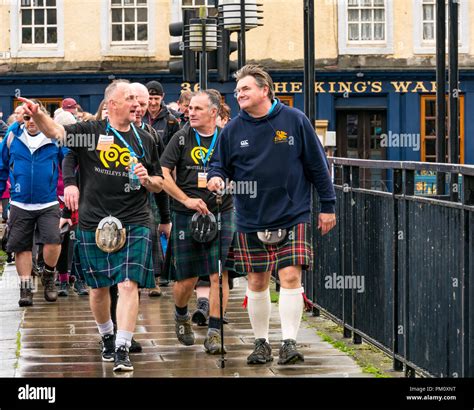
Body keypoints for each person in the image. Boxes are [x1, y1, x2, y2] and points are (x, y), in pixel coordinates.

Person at [18, 79, 164, 372]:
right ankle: (107, 336)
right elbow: (58, 133)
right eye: (129, 99)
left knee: (128, 283)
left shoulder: (145, 138)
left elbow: (160, 182)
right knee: (99, 289)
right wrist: (39, 114)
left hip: (134, 219)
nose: (137, 104)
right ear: (111, 104)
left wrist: (148, 180)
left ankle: (123, 346)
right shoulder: (90, 133)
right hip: (95, 220)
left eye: (138, 99)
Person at [207, 65, 337, 365]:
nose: (239, 94)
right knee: (256, 281)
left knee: (290, 276)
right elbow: (219, 166)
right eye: (237, 90)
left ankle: (289, 342)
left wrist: (328, 205)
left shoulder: (295, 121)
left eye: (245, 89)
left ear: (265, 90)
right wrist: (215, 177)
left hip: (293, 211)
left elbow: (318, 165)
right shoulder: (232, 130)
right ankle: (261, 343)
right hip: (251, 214)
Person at [160, 90, 235, 354]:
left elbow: (243, 169)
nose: (190, 112)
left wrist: (229, 184)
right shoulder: (181, 138)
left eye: (197, 109)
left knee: (218, 274)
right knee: (187, 278)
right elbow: (164, 173)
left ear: (213, 112)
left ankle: (215, 331)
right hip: (187, 214)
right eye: (190, 108)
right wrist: (186, 200)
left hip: (221, 211)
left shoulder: (227, 138)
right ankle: (181, 315)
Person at [0, 102, 66, 307]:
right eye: (26, 118)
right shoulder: (13, 137)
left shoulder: (54, 138)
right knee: (21, 246)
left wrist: (70, 190)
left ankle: (48, 276)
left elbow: (69, 164)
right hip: (20, 202)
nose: (31, 122)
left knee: (53, 241)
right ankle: (26, 288)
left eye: (35, 118)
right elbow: (1, 166)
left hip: (48, 201)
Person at [143, 81, 179, 146]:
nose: (153, 103)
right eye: (150, 98)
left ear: (162, 96)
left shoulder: (171, 120)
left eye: (156, 99)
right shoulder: (138, 117)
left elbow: (176, 147)